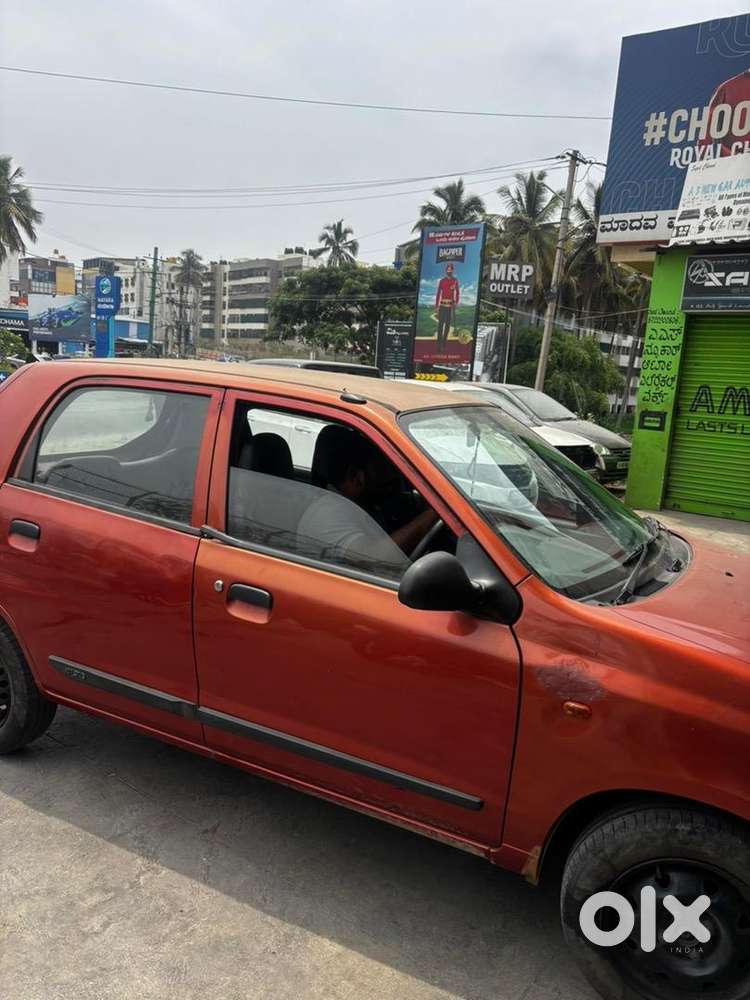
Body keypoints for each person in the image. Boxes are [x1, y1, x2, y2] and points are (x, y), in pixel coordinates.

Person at [297, 429, 437, 576]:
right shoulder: (328, 513)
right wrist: (434, 513)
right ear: (356, 477)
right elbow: (374, 558)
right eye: (383, 469)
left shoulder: (363, 504)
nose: (392, 476)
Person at [435, 263, 460, 352]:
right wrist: (436, 306)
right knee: (440, 325)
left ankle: (444, 343)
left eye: (450, 269)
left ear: (452, 270)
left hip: (450, 306)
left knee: (448, 326)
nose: (449, 271)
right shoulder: (442, 281)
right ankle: (438, 345)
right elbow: (438, 293)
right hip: (442, 306)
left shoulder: (455, 280)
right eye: (448, 269)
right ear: (446, 270)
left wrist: (456, 303)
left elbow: (457, 293)